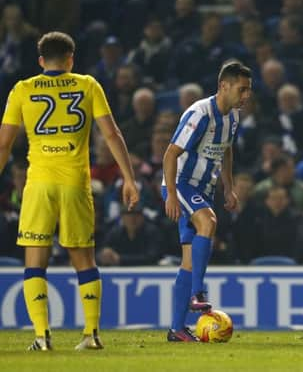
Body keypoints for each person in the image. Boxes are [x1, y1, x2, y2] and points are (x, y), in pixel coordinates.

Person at [0, 31, 139, 351]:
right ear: (70, 59)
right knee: (83, 258)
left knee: (35, 260)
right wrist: (129, 178)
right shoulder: (88, 85)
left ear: (40, 61)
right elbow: (112, 134)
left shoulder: (22, 89)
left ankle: (41, 336)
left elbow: (5, 144)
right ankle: (91, 334)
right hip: (76, 183)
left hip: (39, 184)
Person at [162, 61, 251, 342]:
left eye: (249, 90)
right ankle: (197, 294)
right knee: (208, 221)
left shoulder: (233, 117)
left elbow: (226, 152)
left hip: (204, 188)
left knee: (188, 260)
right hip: (182, 185)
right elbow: (169, 154)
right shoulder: (199, 113)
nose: (246, 95)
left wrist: (229, 187)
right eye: (242, 89)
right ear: (223, 86)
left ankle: (176, 329)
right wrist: (173, 196)